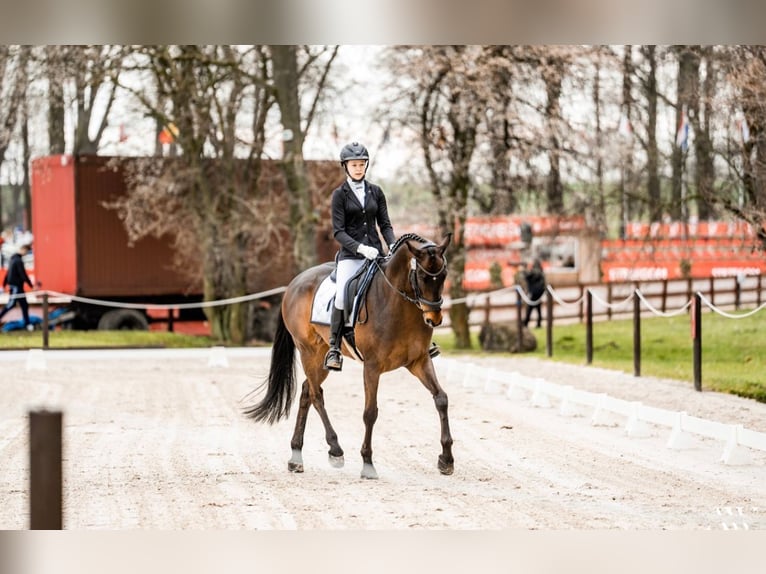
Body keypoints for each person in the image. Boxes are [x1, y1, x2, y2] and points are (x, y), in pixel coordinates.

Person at [324, 142, 397, 371]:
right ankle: (334, 348)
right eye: (354, 165)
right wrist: (360, 249)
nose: (358, 168)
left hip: (377, 254)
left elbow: (384, 223)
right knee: (342, 293)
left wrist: (392, 244)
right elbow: (338, 231)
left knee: (399, 285)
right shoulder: (339, 195)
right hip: (351, 256)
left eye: (361, 164)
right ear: (345, 166)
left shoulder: (375, 191)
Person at [0, 243, 34, 330]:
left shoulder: (13, 259)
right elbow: (22, 274)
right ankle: (27, 323)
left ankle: (27, 323)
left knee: (24, 305)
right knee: (11, 304)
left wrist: (4, 284)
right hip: (16, 286)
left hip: (17, 286)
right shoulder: (18, 261)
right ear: (23, 250)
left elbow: (8, 273)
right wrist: (30, 285)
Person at [523, 258, 546, 328]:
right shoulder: (541, 271)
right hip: (539, 292)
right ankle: (538, 323)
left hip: (534, 292)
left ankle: (526, 322)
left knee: (530, 308)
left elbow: (527, 276)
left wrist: (524, 269)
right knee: (538, 308)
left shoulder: (534, 271)